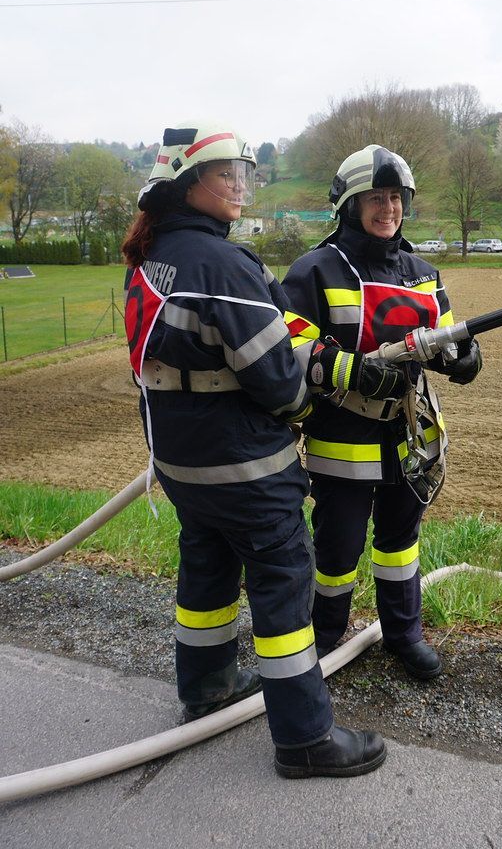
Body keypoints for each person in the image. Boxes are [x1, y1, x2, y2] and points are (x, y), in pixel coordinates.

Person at [121, 121, 386, 778]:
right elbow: (272, 375)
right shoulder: (222, 262)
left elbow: (251, 329)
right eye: (224, 175)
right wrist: (302, 407)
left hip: (180, 459)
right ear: (187, 186)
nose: (240, 185)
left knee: (206, 568)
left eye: (244, 172)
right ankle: (304, 740)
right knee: (281, 587)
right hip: (243, 465)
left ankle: (205, 691)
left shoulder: (157, 254)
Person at [281, 145, 482, 679]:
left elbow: (445, 337)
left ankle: (403, 634)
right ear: (349, 205)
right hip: (341, 433)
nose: (387, 208)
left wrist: (464, 359)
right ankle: (323, 638)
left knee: (399, 542)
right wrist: (348, 369)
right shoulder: (314, 270)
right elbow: (289, 347)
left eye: (395, 198)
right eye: (375, 198)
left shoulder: (423, 273)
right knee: (338, 545)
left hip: (408, 436)